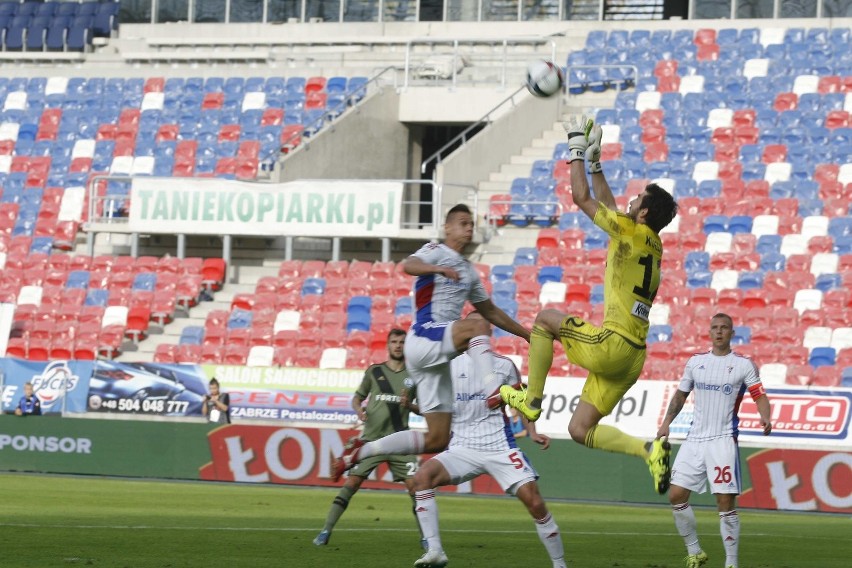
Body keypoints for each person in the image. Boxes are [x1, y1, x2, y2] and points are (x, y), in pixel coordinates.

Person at [500, 115, 680, 494]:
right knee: (579, 429)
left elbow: (582, 198)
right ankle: (650, 450)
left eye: (638, 200)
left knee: (545, 319)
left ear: (644, 213)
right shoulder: (651, 242)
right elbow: (613, 207)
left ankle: (531, 403)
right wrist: (597, 162)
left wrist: (576, 149)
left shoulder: (630, 230)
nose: (630, 201)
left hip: (613, 346)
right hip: (633, 357)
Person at [332, 203, 530, 481]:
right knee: (477, 327)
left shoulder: (469, 272)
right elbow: (408, 265)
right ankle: (493, 390)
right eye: (463, 223)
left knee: (438, 439)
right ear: (447, 227)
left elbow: (491, 310)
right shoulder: (435, 250)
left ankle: (359, 452)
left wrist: (526, 334)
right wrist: (437, 269)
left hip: (436, 359)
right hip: (425, 335)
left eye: (471, 224)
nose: (469, 228)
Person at [413, 313, 565, 568]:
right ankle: (435, 551)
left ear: (487, 333)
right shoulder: (448, 366)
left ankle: (560, 565)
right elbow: (437, 407)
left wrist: (532, 431)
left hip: (499, 447)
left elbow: (523, 403)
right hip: (462, 447)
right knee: (422, 477)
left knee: (535, 502)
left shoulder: (504, 366)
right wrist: (416, 407)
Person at [657, 313, 772, 568]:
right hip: (694, 439)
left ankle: (731, 562)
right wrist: (666, 423)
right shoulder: (696, 362)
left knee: (724, 501)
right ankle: (694, 550)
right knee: (675, 495)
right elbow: (680, 395)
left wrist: (765, 417)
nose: (719, 332)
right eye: (715, 328)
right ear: (709, 333)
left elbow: (760, 396)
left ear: (732, 333)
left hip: (722, 440)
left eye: (724, 328)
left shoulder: (744, 365)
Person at [314, 329, 426, 550]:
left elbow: (425, 409)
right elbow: (357, 398)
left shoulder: (414, 376)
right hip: (371, 441)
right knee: (352, 482)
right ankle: (326, 530)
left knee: (416, 487)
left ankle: (426, 538)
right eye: (394, 341)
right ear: (387, 345)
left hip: (400, 442)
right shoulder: (374, 371)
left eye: (402, 342)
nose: (398, 345)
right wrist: (359, 411)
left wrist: (410, 405)